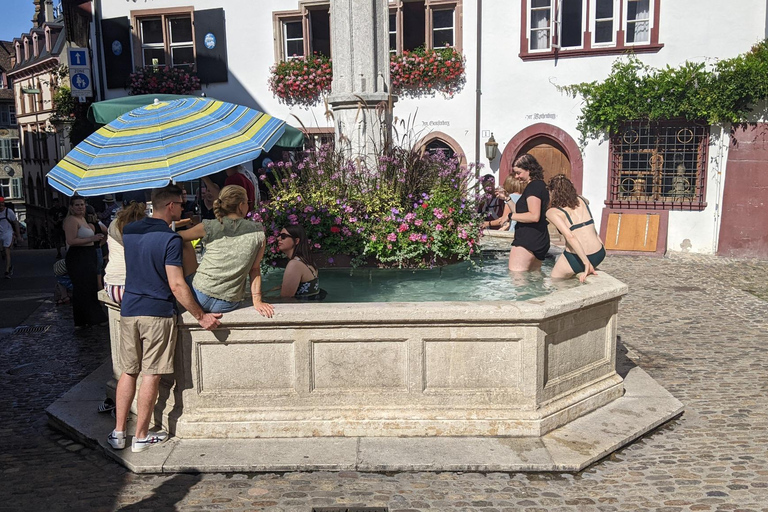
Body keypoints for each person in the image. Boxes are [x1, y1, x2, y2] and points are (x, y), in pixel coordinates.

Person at [108, 184, 222, 453]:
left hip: (129, 309)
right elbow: (177, 284)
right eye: (181, 204)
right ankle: (141, 437)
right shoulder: (171, 240)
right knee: (151, 374)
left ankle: (118, 432)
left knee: (128, 371)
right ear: (170, 206)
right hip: (157, 311)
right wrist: (201, 315)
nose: (183, 208)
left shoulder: (131, 230)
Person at [179, 185, 273, 316]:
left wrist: (176, 224)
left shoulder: (209, 226)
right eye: (247, 202)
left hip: (198, 294)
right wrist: (257, 301)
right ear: (241, 205)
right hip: (226, 303)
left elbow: (175, 238)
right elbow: (255, 269)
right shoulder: (257, 231)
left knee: (185, 244)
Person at [546, 174, 605, 283]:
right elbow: (587, 201)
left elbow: (570, 236)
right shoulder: (582, 200)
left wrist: (586, 263)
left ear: (553, 192)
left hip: (579, 257)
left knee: (553, 281)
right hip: (599, 252)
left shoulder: (553, 212)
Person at [63, 196, 108, 329]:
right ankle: (91, 318)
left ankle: (85, 319)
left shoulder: (83, 219)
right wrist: (92, 238)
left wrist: (96, 240)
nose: (80, 207)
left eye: (82, 204)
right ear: (71, 207)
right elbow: (71, 240)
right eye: (77, 205)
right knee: (83, 288)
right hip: (78, 257)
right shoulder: (71, 220)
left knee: (90, 286)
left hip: (89, 255)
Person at [508, 154, 551, 271]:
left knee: (517, 280)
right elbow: (521, 212)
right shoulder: (541, 186)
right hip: (539, 238)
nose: (517, 177)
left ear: (529, 170)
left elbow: (534, 216)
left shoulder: (534, 187)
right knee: (534, 281)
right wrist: (507, 199)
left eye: (519, 172)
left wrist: (511, 216)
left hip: (527, 240)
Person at [103, 201, 146, 304]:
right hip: (138, 286)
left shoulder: (114, 224)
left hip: (114, 286)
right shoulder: (145, 225)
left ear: (122, 205)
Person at [277, 224, 320, 298]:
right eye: (279, 235)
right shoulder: (306, 261)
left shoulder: (294, 264)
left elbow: (285, 299)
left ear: (296, 241)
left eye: (283, 236)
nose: (278, 238)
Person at [0, 197, 20, 278]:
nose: (1, 206)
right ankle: (3, 255)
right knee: (2, 251)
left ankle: (7, 270)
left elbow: (15, 223)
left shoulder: (9, 212)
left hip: (8, 233)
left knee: (7, 250)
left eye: (2, 204)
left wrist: (18, 235)